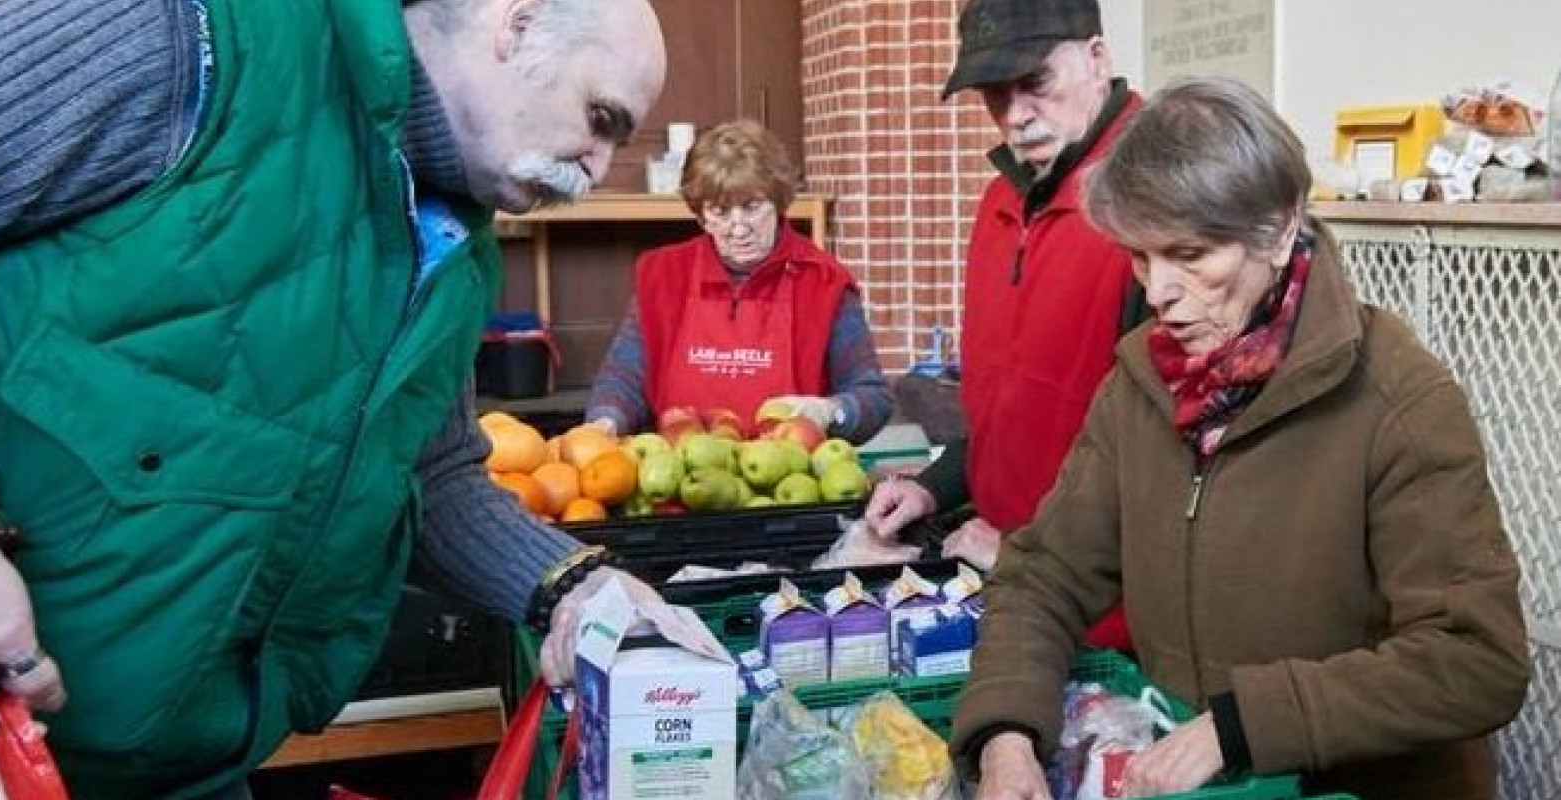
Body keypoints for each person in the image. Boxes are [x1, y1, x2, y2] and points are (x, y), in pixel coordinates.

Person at [0, 0, 667, 798]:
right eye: (601, 118)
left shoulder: (453, 253)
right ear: (515, 25)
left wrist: (570, 584)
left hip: (187, 768)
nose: (597, 169)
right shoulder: (184, 41)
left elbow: (429, 474)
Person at [953, 76, 1530, 800]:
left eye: (1191, 255)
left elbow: (1477, 661)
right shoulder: (1142, 384)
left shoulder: (1397, 401)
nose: (1159, 291)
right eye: (1140, 257)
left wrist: (1242, 725)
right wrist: (1006, 734)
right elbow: (1043, 577)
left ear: (1282, 228)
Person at [860, 0, 1141, 649]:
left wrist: (1029, 556)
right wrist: (938, 484)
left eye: (1036, 84)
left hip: (1100, 616)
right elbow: (1014, 407)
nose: (1015, 116)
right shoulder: (1001, 200)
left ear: (1096, 59)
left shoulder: (1153, 201)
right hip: (999, 577)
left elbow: (1170, 465)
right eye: (994, 93)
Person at [585, 119, 893, 444]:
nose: (738, 228)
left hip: (787, 481)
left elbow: (873, 396)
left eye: (752, 207)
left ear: (778, 201)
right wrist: (605, 422)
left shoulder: (824, 283)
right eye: (719, 212)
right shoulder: (663, 276)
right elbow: (623, 378)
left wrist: (831, 411)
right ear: (701, 216)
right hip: (679, 474)